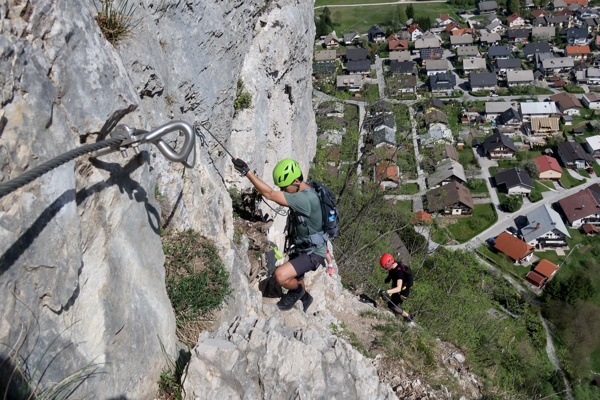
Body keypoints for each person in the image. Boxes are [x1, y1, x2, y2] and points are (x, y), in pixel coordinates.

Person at [232, 157, 327, 312]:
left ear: (296, 181)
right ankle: (304, 297)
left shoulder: (305, 199)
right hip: (302, 246)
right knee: (297, 276)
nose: (283, 191)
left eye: (284, 187)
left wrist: (246, 172)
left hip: (313, 253)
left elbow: (269, 194)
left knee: (280, 276)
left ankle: (297, 291)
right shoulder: (306, 189)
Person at [379, 253, 414, 322]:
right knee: (390, 303)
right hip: (398, 285)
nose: (386, 269)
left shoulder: (399, 272)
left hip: (403, 289)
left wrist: (386, 292)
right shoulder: (393, 265)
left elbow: (398, 288)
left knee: (393, 306)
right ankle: (404, 316)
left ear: (389, 264)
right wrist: (388, 278)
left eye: (386, 267)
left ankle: (408, 316)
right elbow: (391, 272)